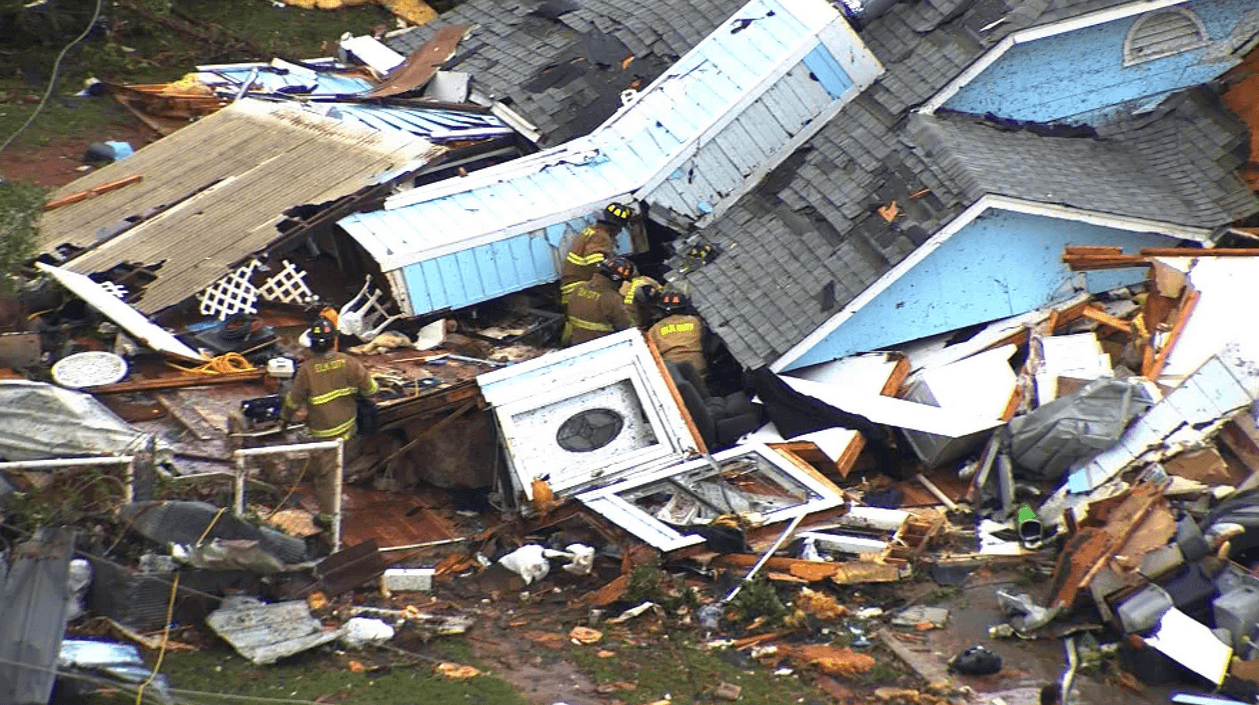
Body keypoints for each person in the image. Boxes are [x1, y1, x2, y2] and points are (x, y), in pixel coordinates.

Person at [280, 318, 378, 520]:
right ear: (333, 341)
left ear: (313, 344)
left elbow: (293, 402)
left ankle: (328, 518)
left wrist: (284, 420)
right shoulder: (350, 362)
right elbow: (372, 390)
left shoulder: (307, 370)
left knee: (327, 476)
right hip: (348, 427)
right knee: (334, 466)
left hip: (323, 432)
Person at [559, 202, 632, 305]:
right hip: (582, 290)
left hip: (571, 290)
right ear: (614, 227)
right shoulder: (601, 237)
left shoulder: (589, 232)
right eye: (620, 228)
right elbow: (597, 264)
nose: (619, 232)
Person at [565, 256, 636, 346]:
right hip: (602, 345)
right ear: (618, 280)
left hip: (576, 342)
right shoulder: (612, 298)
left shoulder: (578, 288)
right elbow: (626, 326)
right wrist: (623, 297)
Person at [647, 290, 707, 377]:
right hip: (697, 364)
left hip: (672, 369)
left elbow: (651, 353)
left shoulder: (654, 330)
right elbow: (708, 340)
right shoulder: (696, 321)